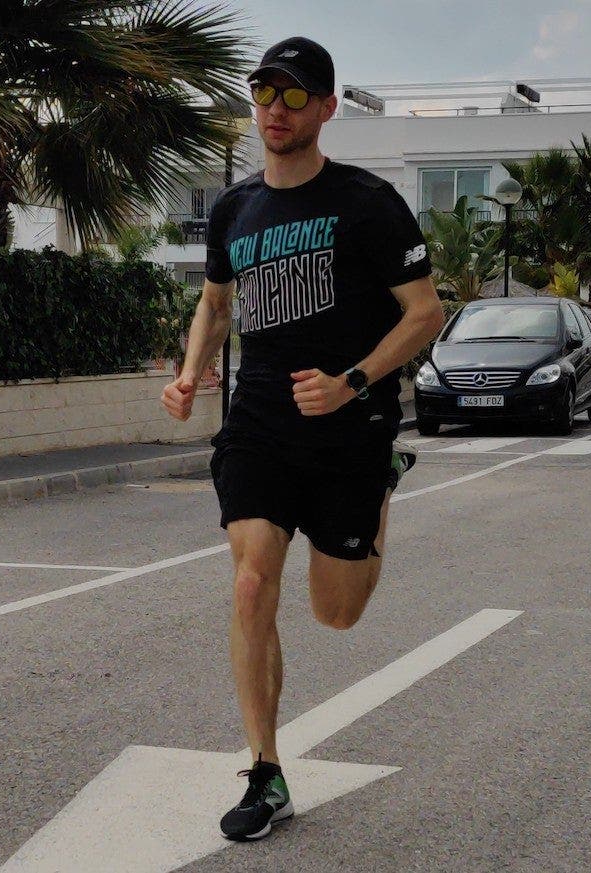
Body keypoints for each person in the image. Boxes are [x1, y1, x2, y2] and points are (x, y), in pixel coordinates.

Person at [160, 36, 445, 842]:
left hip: (352, 425)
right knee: (252, 584)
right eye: (264, 93)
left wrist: (353, 382)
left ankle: (382, 484)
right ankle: (265, 770)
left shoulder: (366, 203)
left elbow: (426, 312)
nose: (275, 110)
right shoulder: (235, 208)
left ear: (325, 109)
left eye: (293, 97)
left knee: (337, 614)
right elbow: (215, 304)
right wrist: (190, 374)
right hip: (258, 424)